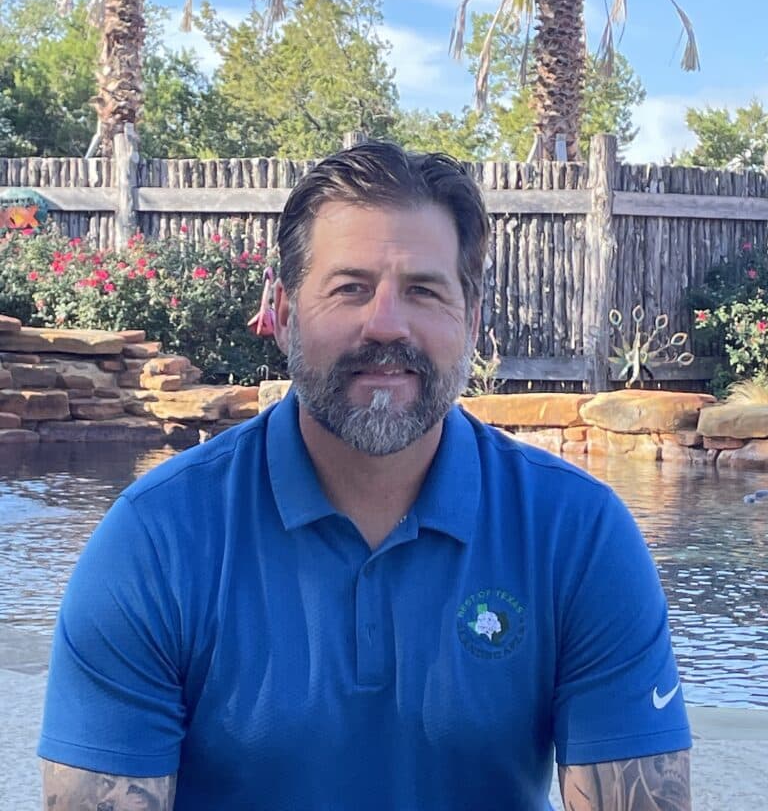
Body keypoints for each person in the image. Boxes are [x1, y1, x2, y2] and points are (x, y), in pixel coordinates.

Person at [39, 142, 692, 810]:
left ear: (469, 321)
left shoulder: (577, 534)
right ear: (285, 312)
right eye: (350, 288)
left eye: (423, 291)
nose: (386, 324)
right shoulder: (156, 541)